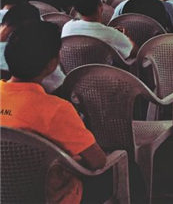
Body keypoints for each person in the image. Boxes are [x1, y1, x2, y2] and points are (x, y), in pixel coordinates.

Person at [0, 21, 107, 204]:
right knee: (126, 168)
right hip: (50, 197)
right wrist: (65, 159)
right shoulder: (56, 110)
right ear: (52, 64)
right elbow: (98, 161)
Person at [63, 0, 136, 59]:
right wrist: (126, 37)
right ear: (100, 5)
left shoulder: (67, 28)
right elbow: (134, 51)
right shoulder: (111, 35)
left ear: (76, 9)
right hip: (105, 67)